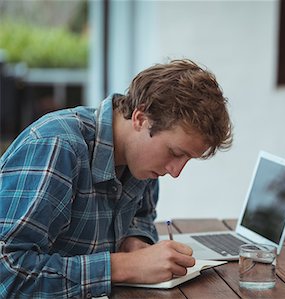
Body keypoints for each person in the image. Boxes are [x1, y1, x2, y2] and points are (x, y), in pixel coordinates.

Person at [0, 59, 233, 298]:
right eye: (175, 153)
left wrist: (134, 241)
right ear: (141, 119)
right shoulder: (57, 148)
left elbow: (141, 215)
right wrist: (125, 266)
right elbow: (7, 274)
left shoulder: (141, 161)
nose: (175, 172)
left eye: (188, 159)